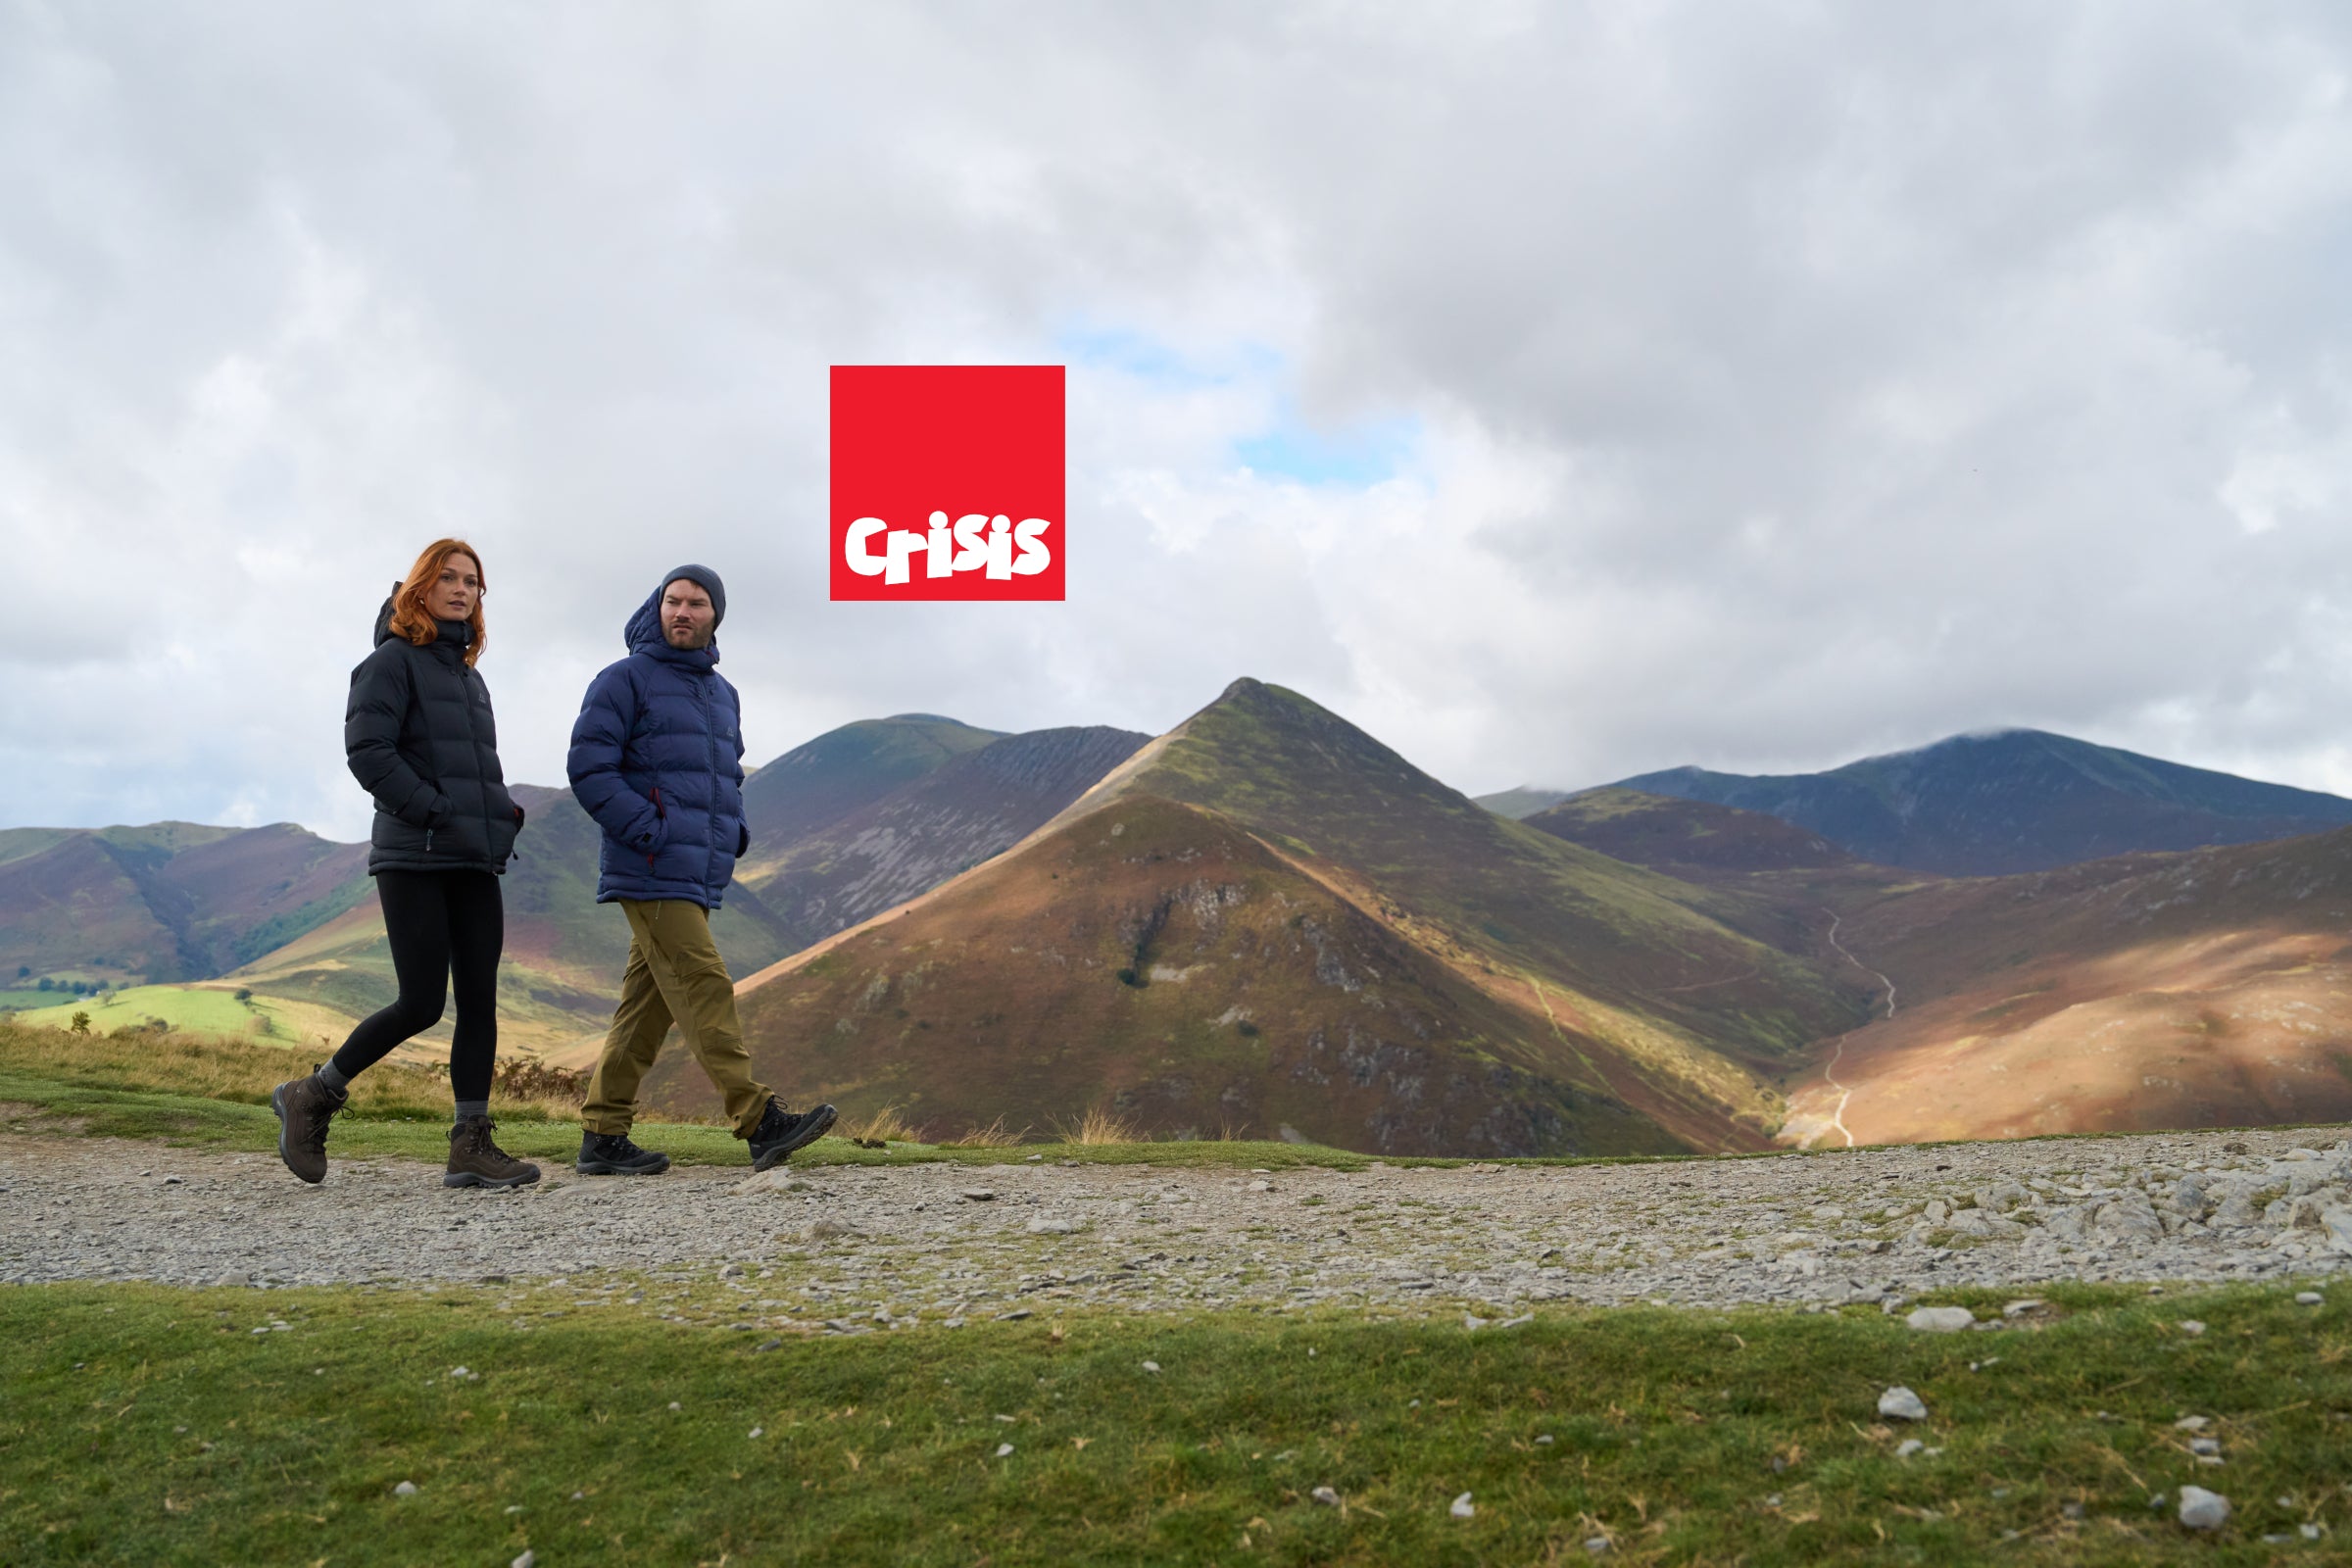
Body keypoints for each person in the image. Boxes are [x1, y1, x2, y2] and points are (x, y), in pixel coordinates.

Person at [270, 540, 540, 1189]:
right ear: (418, 588)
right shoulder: (388, 663)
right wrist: (433, 811)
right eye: (447, 577)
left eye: (472, 581)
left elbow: (471, 766)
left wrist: (501, 812)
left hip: (474, 858)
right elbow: (367, 751)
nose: (460, 589)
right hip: (414, 856)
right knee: (420, 1003)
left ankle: (470, 1144)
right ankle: (313, 1095)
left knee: (480, 1002)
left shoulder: (469, 678)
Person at [566, 564, 835, 1174]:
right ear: (656, 608)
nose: (682, 612)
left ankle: (603, 1134)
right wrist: (647, 830)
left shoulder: (721, 694)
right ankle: (757, 1118)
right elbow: (590, 768)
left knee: (650, 1003)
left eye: (696, 603)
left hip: (694, 868)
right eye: (672, 601)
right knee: (703, 980)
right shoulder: (623, 680)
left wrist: (733, 829)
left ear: (716, 616)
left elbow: (725, 777)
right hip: (651, 865)